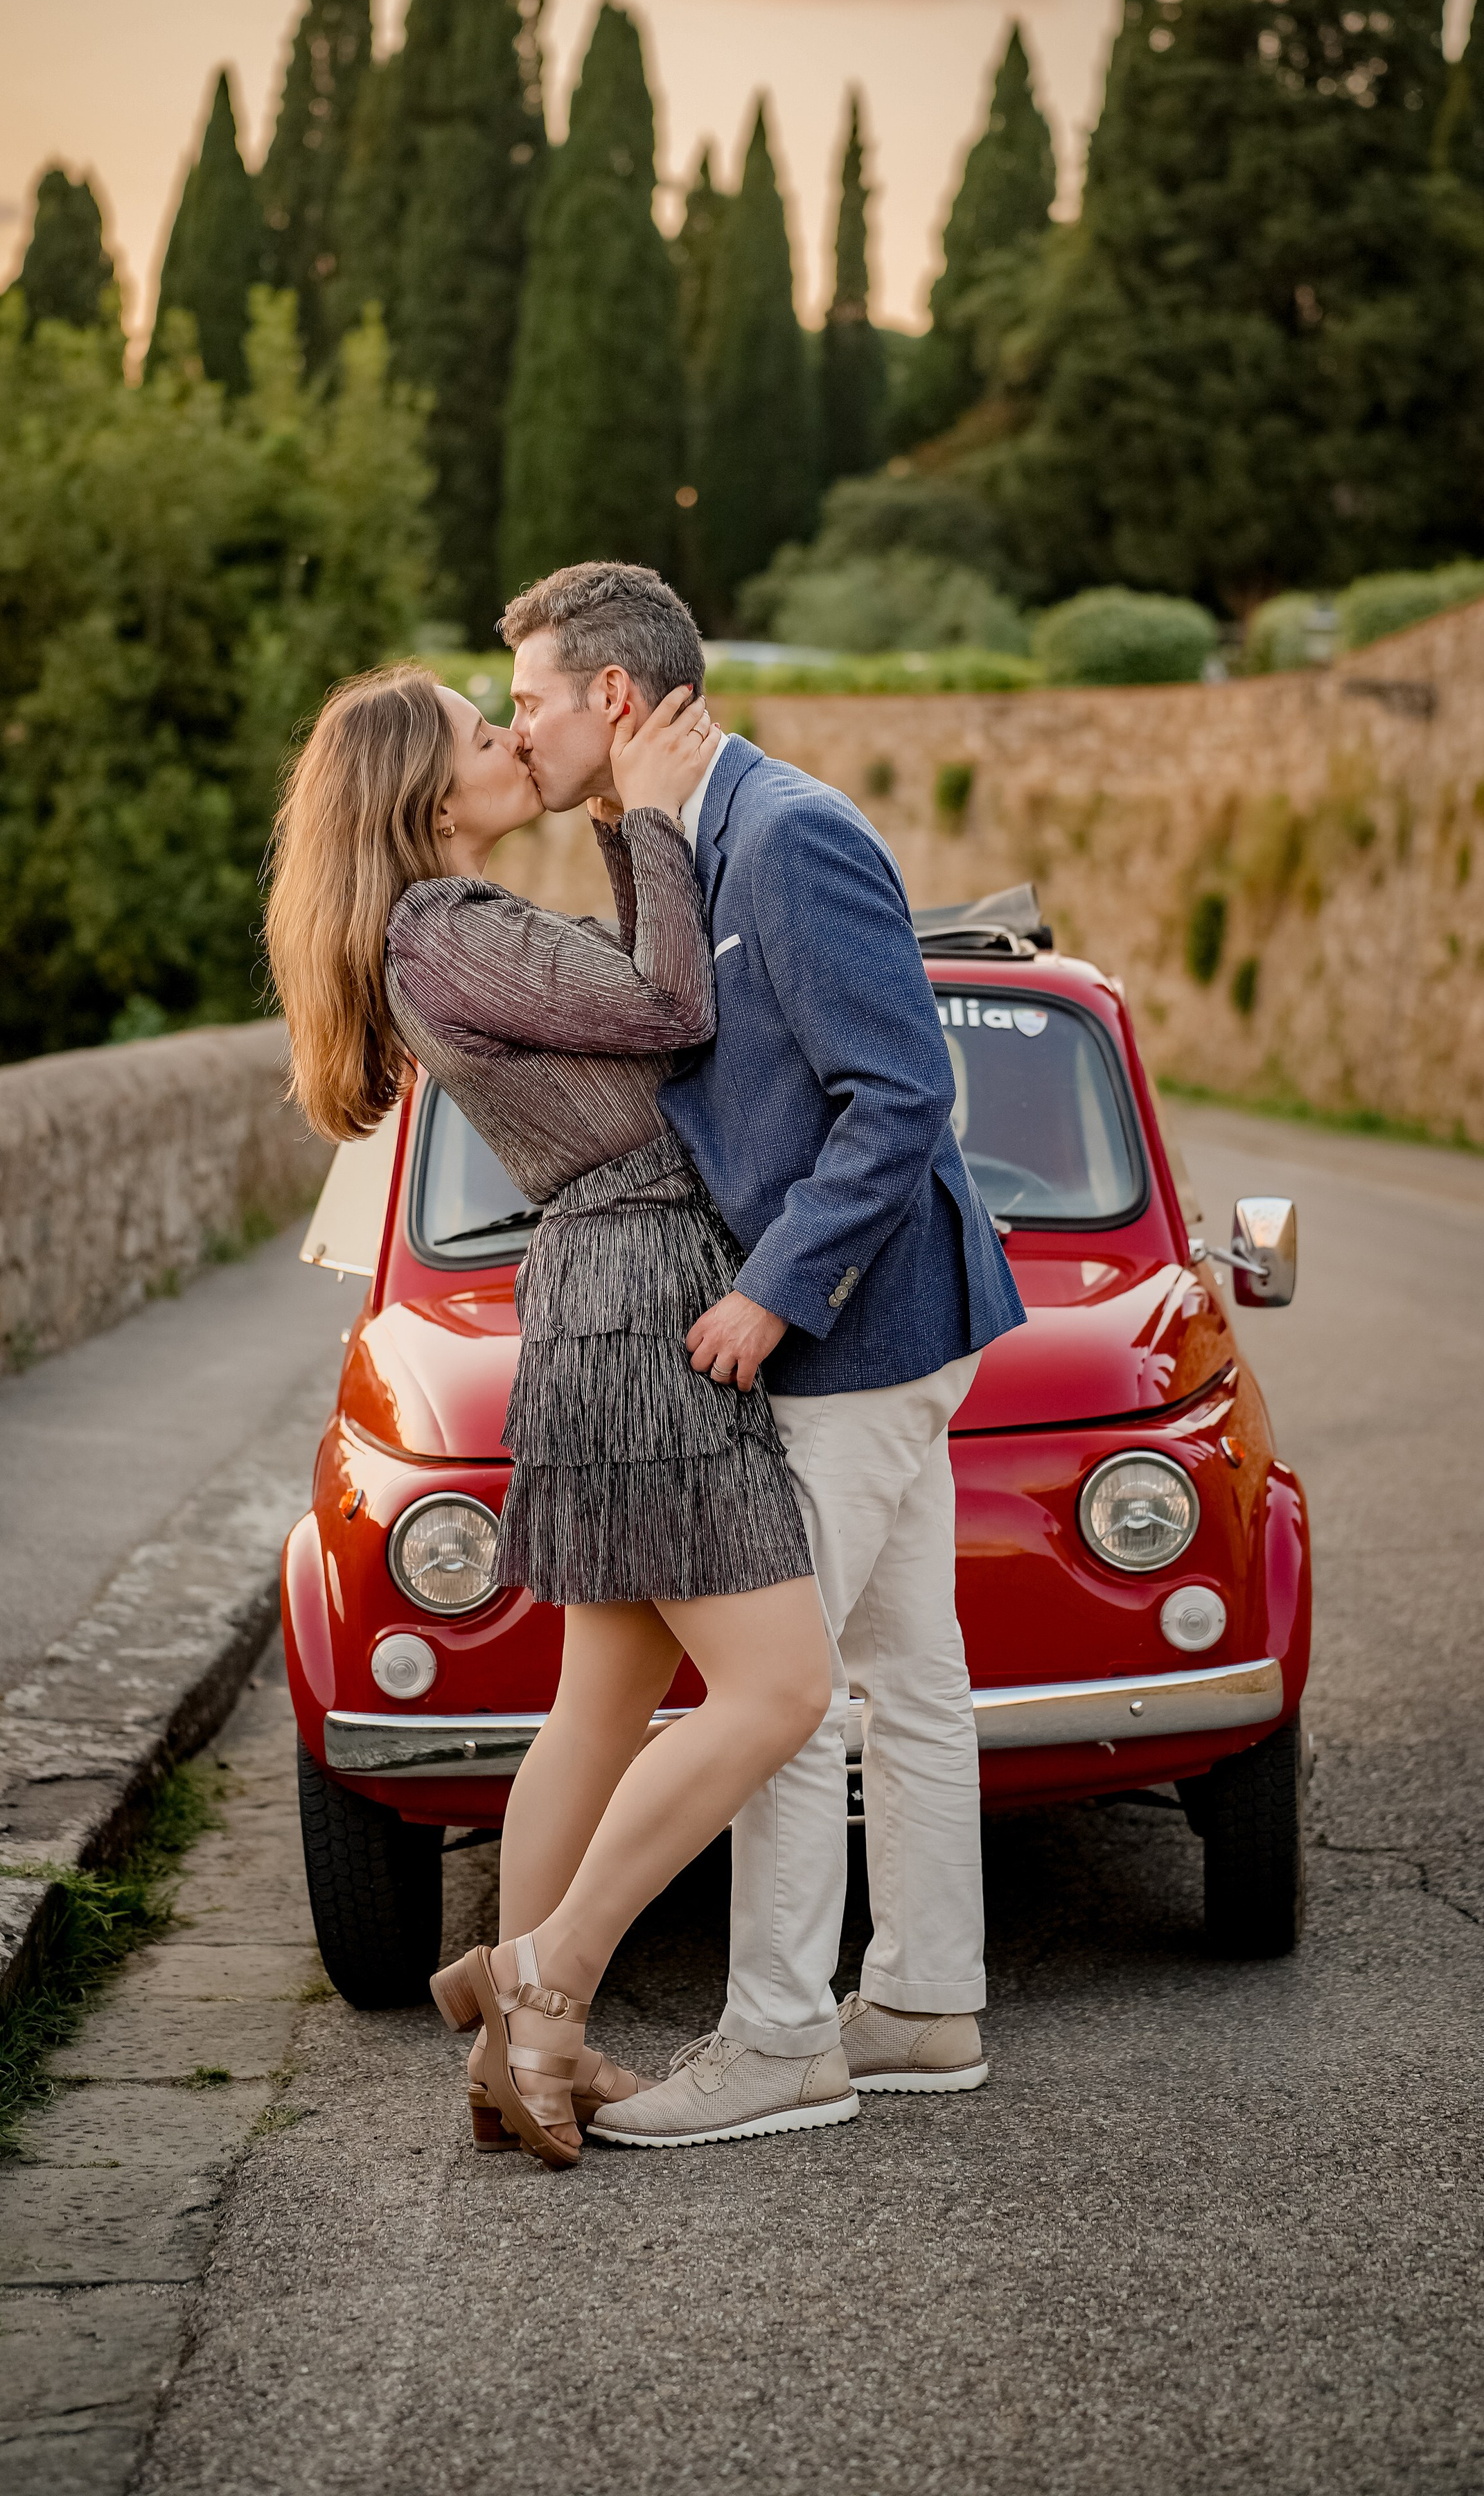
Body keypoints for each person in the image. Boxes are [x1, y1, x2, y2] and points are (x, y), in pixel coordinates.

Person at [263, 664, 836, 2170]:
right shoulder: (444, 928)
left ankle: (534, 2056)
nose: (511, 737)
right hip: (639, 1297)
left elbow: (626, 1014)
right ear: (425, 796)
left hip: (606, 1292)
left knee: (599, 1700)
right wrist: (643, 817)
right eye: (480, 732)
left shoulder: (437, 935)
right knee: (780, 1690)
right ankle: (543, 1975)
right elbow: (665, 999)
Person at [503, 561, 1026, 2150]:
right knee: (909, 1679)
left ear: (611, 695)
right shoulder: (661, 840)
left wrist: (771, 1297)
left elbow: (900, 1095)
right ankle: (926, 2005)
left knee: (772, 1687)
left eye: (526, 701)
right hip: (890, 1329)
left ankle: (783, 2041)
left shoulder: (786, 835)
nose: (513, 732)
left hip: (859, 1329)